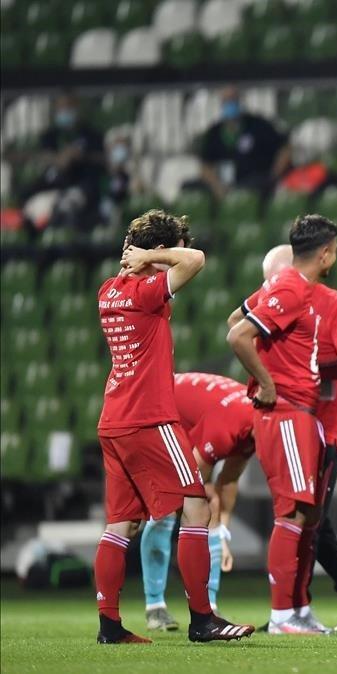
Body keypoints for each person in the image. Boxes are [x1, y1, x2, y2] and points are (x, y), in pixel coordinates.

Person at [94, 209, 253, 644]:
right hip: (150, 418)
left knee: (121, 524)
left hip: (113, 420)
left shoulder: (108, 290)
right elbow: (196, 260)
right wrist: (152, 256)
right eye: (170, 251)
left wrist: (145, 257)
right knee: (197, 506)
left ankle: (110, 626)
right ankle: (203, 619)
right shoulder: (146, 293)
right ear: (159, 251)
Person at [243, 243, 337, 630]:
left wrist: (309, 365)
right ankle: (298, 609)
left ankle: (303, 607)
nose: (271, 288)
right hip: (291, 418)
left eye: (276, 279)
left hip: (328, 427)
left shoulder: (334, 304)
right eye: (268, 282)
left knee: (310, 520)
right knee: (301, 516)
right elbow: (239, 323)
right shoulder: (276, 299)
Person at [226, 214, 337, 635]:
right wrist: (268, 382)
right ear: (325, 253)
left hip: (300, 412)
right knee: (291, 510)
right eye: (334, 250)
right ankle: (281, 615)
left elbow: (234, 319)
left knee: (306, 512)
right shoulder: (290, 287)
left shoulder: (287, 285)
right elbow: (237, 335)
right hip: (286, 411)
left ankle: (298, 609)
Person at [140, 372, 256, 630]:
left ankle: (208, 607)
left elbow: (229, 480)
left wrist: (222, 533)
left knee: (208, 504)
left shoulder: (255, 425)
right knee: (167, 508)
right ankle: (155, 606)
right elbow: (191, 481)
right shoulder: (230, 424)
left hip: (184, 419)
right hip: (155, 409)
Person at [24, 93, 105, 228]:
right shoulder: (49, 136)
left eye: (69, 106)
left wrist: (81, 156)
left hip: (83, 188)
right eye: (61, 107)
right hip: (51, 189)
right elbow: (42, 157)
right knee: (34, 208)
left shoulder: (91, 135)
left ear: (77, 107)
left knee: (68, 206)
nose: (65, 111)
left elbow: (102, 160)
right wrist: (58, 159)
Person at [198, 86, 291, 201]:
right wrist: (216, 185)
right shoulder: (214, 132)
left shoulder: (259, 125)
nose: (230, 104)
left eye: (233, 100)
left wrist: (274, 176)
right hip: (224, 184)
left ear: (240, 101)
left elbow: (284, 149)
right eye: (226, 101)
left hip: (254, 182)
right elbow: (205, 165)